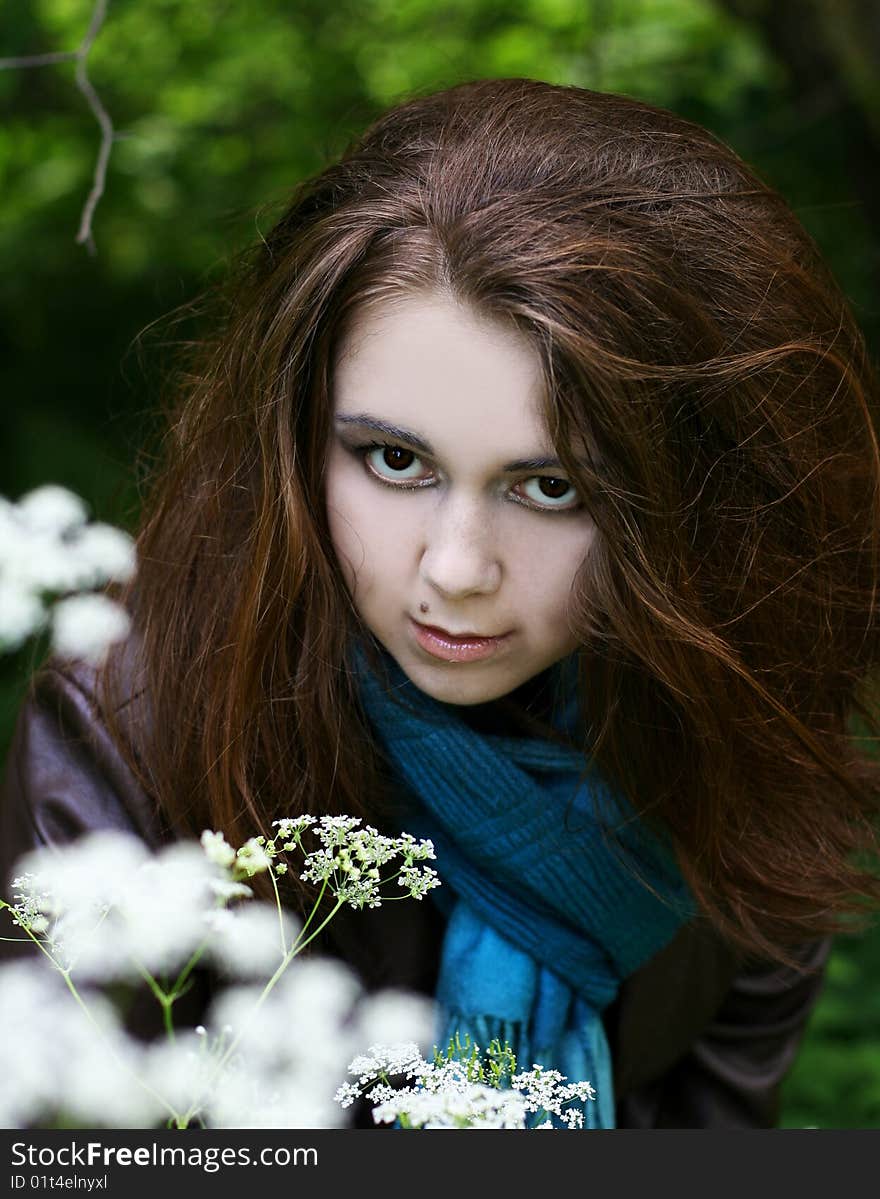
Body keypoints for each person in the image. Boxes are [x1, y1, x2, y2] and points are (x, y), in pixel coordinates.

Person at [3, 77, 880, 1129]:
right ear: (296, 440)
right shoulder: (134, 726)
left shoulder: (743, 719)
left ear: (703, 506)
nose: (457, 568)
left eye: (552, 487)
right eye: (392, 458)